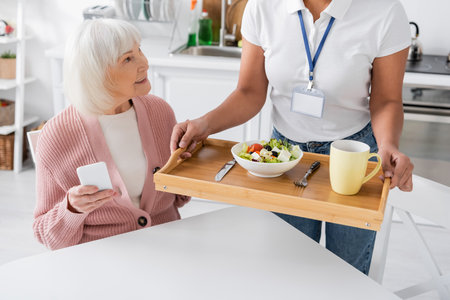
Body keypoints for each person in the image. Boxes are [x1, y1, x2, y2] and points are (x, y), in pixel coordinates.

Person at [170, 0, 414, 274]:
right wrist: (205, 124)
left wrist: (388, 145)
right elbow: (249, 92)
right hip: (284, 157)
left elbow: (386, 100)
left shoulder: (384, 10)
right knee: (287, 268)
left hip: (352, 155)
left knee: (348, 273)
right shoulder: (263, 6)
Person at [33, 19, 189, 250]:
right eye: (128, 58)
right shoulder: (57, 136)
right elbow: (47, 235)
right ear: (96, 74)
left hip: (167, 248)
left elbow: (176, 199)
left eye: (139, 50)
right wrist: (71, 209)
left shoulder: (160, 112)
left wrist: (188, 167)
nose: (144, 63)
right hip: (103, 258)